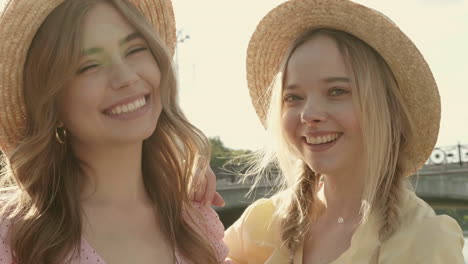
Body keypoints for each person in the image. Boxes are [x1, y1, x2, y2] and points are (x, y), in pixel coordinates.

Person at [224, 0, 465, 263]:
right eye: (293, 97)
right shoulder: (261, 225)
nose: (309, 114)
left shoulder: (424, 241)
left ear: (386, 109)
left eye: (337, 91)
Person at [0, 0, 228, 263]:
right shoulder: (13, 231)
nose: (126, 77)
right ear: (50, 104)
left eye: (134, 50)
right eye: (89, 66)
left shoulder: (194, 222)